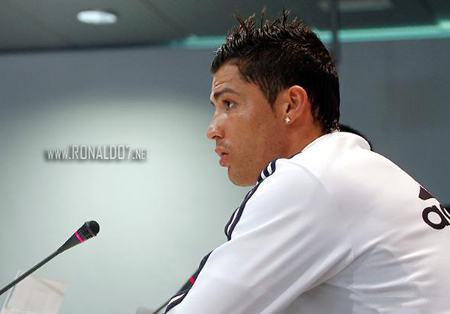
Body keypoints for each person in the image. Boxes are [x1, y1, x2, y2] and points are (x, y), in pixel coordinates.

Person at [165, 10, 449, 314]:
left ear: (291, 104)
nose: (213, 129)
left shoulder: (308, 179)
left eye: (229, 104)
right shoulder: (354, 168)